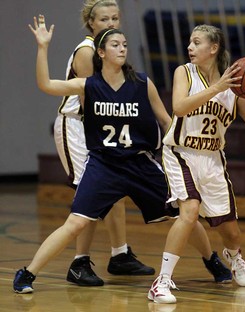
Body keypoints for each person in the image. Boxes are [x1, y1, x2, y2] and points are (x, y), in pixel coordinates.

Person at [14, 17, 230, 294]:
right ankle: (27, 273)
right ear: (101, 53)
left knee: (183, 214)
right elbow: (45, 84)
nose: (122, 48)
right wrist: (42, 47)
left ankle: (211, 260)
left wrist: (179, 155)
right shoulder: (88, 85)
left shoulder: (142, 83)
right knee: (76, 222)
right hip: (104, 166)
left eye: (125, 44)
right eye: (115, 44)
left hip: (140, 163)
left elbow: (167, 120)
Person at [148, 24, 245, 304]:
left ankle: (234, 256)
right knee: (189, 211)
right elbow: (179, 107)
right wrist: (217, 87)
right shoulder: (184, 73)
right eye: (190, 42)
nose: (190, 47)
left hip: (213, 158)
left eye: (196, 42)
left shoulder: (235, 88)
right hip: (181, 153)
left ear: (213, 48)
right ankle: (161, 282)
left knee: (231, 231)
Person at [54, 0, 155, 286]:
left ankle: (120, 254)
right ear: (91, 23)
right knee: (90, 195)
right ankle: (79, 262)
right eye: (103, 20)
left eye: (114, 18)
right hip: (79, 125)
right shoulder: (88, 52)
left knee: (116, 188)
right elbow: (96, 101)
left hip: (100, 128)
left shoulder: (110, 49)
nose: (110, 24)